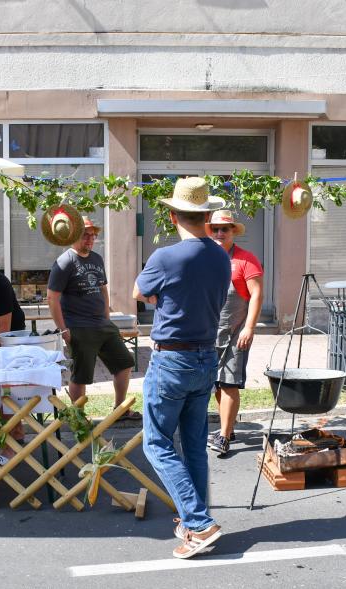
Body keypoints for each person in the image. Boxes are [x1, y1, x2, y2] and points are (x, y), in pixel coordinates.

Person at [133, 177, 230, 559]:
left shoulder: (165, 257)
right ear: (206, 216)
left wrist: (165, 299)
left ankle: (199, 522)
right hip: (206, 356)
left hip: (172, 359)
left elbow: (139, 293)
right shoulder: (221, 256)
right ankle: (195, 522)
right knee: (194, 447)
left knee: (156, 443)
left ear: (173, 216)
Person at [48, 216, 139, 417]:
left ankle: (119, 410)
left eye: (93, 235)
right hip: (79, 327)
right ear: (73, 236)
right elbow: (52, 298)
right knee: (81, 376)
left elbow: (103, 289)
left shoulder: (96, 258)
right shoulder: (64, 262)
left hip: (102, 324)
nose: (90, 239)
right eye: (85, 235)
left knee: (124, 364)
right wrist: (63, 329)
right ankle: (79, 418)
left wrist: (106, 317)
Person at [204, 210, 263, 456]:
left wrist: (249, 327)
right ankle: (227, 426)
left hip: (236, 333)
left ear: (232, 232)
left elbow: (257, 295)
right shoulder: (206, 258)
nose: (220, 233)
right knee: (217, 382)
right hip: (210, 332)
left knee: (229, 383)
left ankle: (225, 437)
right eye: (215, 229)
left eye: (224, 229)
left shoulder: (246, 259)